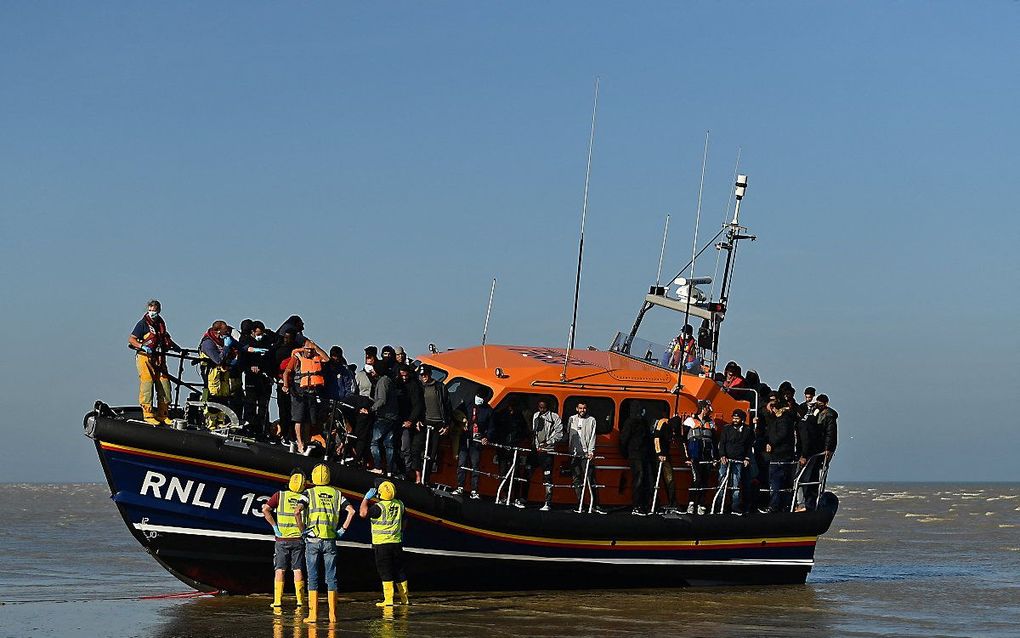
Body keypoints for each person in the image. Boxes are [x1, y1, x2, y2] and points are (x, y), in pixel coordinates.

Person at [302, 463, 355, 624]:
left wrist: (303, 529)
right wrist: (342, 530)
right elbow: (351, 511)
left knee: (313, 577)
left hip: (313, 540)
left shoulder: (309, 493)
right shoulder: (337, 494)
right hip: (330, 540)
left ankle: (313, 616)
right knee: (331, 577)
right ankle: (333, 616)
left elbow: (297, 510)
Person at [128, 299, 181, 425]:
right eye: (150, 310)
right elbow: (132, 339)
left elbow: (164, 338)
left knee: (164, 384)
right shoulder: (142, 324)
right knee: (147, 383)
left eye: (154, 311)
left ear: (159, 311)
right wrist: (142, 346)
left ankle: (163, 413)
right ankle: (148, 413)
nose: (152, 313)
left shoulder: (160, 324)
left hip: (159, 358)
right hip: (145, 357)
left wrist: (176, 347)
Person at [262, 470, 309, 610]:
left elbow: (266, 510)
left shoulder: (279, 495)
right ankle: (300, 601)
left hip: (282, 539)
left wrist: (275, 527)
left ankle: (277, 602)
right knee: (298, 569)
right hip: (298, 539)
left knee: (280, 569)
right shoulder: (305, 498)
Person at [359, 480, 409, 607]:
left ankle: (388, 600)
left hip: (382, 544)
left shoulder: (378, 507)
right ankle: (405, 598)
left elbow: (363, 513)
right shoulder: (400, 504)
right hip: (396, 543)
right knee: (399, 570)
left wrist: (366, 499)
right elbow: (405, 520)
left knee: (385, 571)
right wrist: (401, 532)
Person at [284, 340, 330, 455]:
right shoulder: (297, 357)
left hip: (311, 391)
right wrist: (285, 385)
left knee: (309, 418)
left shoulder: (316, 357)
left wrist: (316, 347)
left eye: (311, 350)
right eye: (307, 349)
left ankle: (306, 440)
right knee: (298, 418)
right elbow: (287, 372)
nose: (309, 352)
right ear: (303, 349)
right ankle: (299, 442)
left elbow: (327, 359)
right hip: (298, 390)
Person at [414, 365, 452, 484]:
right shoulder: (420, 388)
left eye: (425, 374)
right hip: (424, 422)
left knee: (432, 453)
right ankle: (418, 476)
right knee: (416, 448)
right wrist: (417, 419)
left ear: (430, 374)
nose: (423, 377)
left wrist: (447, 425)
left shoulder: (440, 387)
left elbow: (447, 407)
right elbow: (417, 405)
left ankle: (426, 478)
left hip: (438, 424)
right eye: (421, 375)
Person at [455, 389, 494, 498]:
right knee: (461, 463)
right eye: (478, 396)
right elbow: (456, 413)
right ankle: (460, 487)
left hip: (477, 442)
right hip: (465, 438)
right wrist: (462, 421)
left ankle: (474, 490)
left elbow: (491, 427)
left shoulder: (488, 410)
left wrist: (486, 437)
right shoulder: (467, 403)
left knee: (475, 465)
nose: (479, 399)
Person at [198, 321, 237, 428]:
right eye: (225, 330)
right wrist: (226, 347)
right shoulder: (208, 343)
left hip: (223, 372)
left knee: (224, 393)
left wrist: (251, 349)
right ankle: (210, 422)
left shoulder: (224, 339)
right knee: (213, 394)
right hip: (211, 371)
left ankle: (221, 420)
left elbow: (239, 346)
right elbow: (218, 360)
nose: (227, 332)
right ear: (218, 331)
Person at [568, 402, 605, 514]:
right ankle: (580, 504)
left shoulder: (591, 420)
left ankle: (595, 504)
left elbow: (593, 436)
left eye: (584, 408)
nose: (582, 410)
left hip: (586, 454)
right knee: (576, 479)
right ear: (576, 409)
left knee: (590, 478)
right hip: (574, 454)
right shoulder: (571, 419)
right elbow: (569, 433)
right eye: (580, 408)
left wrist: (591, 451)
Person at [764, 391, 797, 513]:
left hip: (781, 454)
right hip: (778, 454)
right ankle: (782, 505)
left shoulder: (784, 419)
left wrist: (771, 443)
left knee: (777, 482)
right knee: (778, 482)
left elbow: (782, 435)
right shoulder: (776, 420)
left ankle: (776, 506)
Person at [239, 320, 274, 438]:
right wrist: (250, 368)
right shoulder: (245, 340)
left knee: (263, 406)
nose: (260, 336)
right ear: (253, 332)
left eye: (261, 334)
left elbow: (270, 356)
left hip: (264, 378)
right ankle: (250, 427)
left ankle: (263, 429)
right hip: (251, 377)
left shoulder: (267, 340)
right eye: (258, 333)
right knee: (250, 403)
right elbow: (244, 353)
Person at [526, 401, 562, 511]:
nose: (542, 410)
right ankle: (523, 497)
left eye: (544, 407)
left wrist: (549, 442)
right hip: (536, 451)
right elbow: (534, 432)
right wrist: (536, 445)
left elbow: (559, 433)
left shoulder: (554, 417)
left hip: (547, 452)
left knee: (547, 477)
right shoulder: (536, 415)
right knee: (527, 472)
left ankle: (548, 502)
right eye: (540, 407)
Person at [651, 408, 688, 513]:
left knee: (670, 479)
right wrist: (659, 453)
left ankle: (673, 502)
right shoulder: (662, 423)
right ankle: (655, 504)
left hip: (666, 456)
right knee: (654, 480)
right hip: (657, 456)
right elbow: (656, 438)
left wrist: (686, 458)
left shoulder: (675, 428)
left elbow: (680, 442)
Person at [717, 409, 753, 514]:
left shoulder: (747, 430)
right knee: (722, 482)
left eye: (737, 418)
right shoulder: (727, 429)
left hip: (739, 460)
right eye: (734, 418)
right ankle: (719, 506)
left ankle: (735, 506)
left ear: (742, 419)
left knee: (736, 484)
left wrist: (747, 458)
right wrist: (722, 455)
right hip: (726, 460)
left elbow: (748, 446)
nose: (735, 420)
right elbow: (722, 443)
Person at [618, 404, 652, 515]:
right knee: (639, 478)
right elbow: (624, 439)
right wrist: (625, 453)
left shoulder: (642, 423)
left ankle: (643, 503)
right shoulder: (631, 422)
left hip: (642, 454)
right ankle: (637, 505)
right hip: (635, 454)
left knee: (644, 479)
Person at [685, 401, 716, 514]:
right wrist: (687, 456)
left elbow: (714, 441)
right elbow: (684, 439)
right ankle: (691, 503)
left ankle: (701, 504)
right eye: (708, 407)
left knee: (705, 481)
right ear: (703, 408)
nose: (710, 409)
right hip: (695, 456)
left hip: (707, 456)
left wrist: (715, 458)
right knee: (696, 479)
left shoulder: (711, 423)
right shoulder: (690, 421)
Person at [396, 364, 425, 480]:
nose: (404, 378)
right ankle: (396, 469)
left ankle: (406, 471)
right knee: (395, 446)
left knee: (405, 447)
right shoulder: (396, 383)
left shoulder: (414, 386)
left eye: (406, 375)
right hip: (397, 419)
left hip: (407, 420)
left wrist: (411, 420)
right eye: (402, 375)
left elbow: (417, 405)